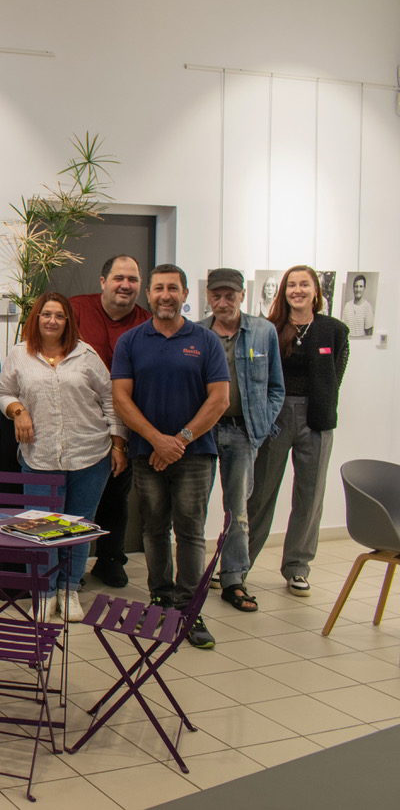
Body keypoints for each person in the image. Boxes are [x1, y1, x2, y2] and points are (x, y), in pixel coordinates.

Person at [111, 264, 229, 649]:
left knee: (191, 532)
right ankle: (161, 600)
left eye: (173, 289)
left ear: (184, 295)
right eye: (159, 288)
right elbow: (121, 399)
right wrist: (156, 440)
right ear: (149, 294)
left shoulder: (206, 341)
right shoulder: (131, 341)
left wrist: (179, 439)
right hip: (148, 453)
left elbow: (220, 399)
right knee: (154, 529)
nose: (166, 295)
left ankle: (189, 609)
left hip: (195, 455)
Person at [0, 293, 126, 621]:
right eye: (46, 314)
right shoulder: (18, 355)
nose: (52, 320)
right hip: (40, 456)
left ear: (68, 321)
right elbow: (3, 393)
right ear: (36, 319)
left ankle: (69, 589)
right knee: (41, 529)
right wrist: (18, 411)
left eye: (59, 315)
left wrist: (118, 444)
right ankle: (44, 591)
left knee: (79, 527)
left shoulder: (85, 354)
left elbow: (111, 398)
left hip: (90, 454)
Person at [247, 266, 350, 597]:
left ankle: (297, 567)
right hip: (276, 416)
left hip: (317, 419)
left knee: (310, 495)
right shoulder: (269, 328)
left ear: (316, 291)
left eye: (305, 284)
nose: (298, 290)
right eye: (292, 284)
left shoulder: (333, 330)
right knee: (260, 493)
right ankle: (239, 563)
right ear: (284, 291)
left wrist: (320, 404)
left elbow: (336, 374)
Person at [201, 268, 284, 613]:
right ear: (207, 297)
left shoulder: (264, 332)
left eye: (230, 296)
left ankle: (233, 578)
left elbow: (276, 388)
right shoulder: (196, 333)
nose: (223, 303)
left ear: (242, 296)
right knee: (193, 509)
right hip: (202, 433)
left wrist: (261, 426)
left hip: (242, 431)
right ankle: (194, 578)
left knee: (238, 512)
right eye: (216, 296)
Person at [70, 254, 151, 588]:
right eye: (119, 278)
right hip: (77, 421)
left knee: (116, 495)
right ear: (103, 282)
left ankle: (109, 559)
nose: (126, 285)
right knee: (74, 498)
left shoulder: (146, 321)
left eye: (132, 279)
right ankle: (68, 566)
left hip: (125, 423)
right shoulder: (75, 309)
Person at [341, 274, 374, 338]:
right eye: (356, 286)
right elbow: (343, 329)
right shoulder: (347, 306)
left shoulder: (367, 307)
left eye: (361, 286)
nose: (358, 289)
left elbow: (369, 334)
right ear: (353, 288)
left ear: (364, 288)